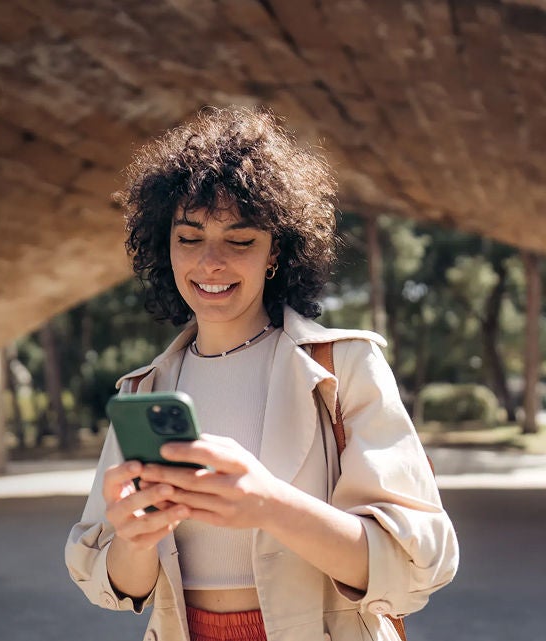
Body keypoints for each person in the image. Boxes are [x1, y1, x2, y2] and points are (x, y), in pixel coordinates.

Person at [64, 106, 458, 641]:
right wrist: (135, 539)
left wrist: (269, 504)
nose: (210, 263)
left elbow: (419, 564)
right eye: (189, 237)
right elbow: (114, 585)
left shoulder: (346, 367)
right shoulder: (144, 391)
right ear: (165, 246)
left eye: (241, 240)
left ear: (276, 252)